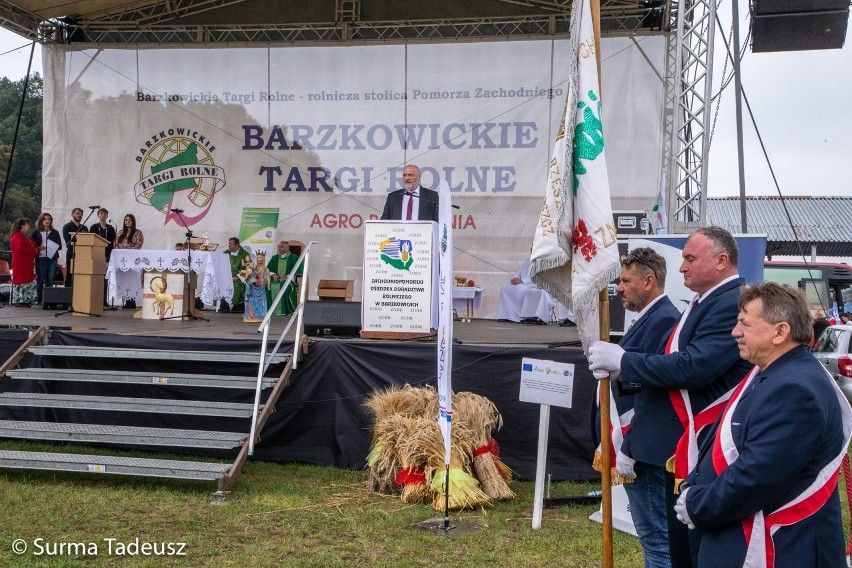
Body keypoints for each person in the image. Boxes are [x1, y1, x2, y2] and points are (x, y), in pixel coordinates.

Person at [589, 226, 752, 568]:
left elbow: (693, 368)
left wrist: (624, 362)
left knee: (668, 545)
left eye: (690, 258)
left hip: (695, 439)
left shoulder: (728, 303)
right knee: (675, 547)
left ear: (721, 261)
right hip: (676, 442)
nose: (681, 268)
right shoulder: (702, 302)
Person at [674, 282, 852, 568]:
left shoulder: (794, 390)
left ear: (780, 332)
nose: (735, 332)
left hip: (778, 548)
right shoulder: (775, 373)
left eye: (744, 323)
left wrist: (698, 505)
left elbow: (756, 477)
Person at [602, 247, 681, 568]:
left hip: (646, 447)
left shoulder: (664, 320)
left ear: (648, 281)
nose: (619, 287)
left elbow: (651, 388)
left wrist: (629, 445)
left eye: (625, 280)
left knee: (657, 538)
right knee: (654, 536)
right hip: (641, 443)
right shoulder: (648, 318)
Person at [114, 213, 145, 308]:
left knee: (132, 280)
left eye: (130, 220)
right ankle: (127, 301)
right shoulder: (120, 232)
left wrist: (128, 251)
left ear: (133, 221)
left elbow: (139, 245)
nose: (128, 221)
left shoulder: (138, 232)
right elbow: (116, 244)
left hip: (133, 259)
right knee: (125, 280)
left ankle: (132, 301)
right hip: (123, 260)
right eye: (126, 220)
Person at [31, 212, 62, 304]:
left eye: (49, 219)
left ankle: (49, 301)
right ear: (41, 221)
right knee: (40, 279)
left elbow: (60, 246)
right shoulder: (36, 232)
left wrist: (52, 246)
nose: (47, 221)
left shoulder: (55, 232)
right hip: (40, 257)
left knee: (50, 279)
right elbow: (32, 245)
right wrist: (39, 247)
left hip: (52, 258)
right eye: (45, 219)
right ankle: (40, 300)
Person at [267, 240, 303, 315]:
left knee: (284, 285)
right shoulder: (275, 258)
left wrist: (287, 276)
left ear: (287, 248)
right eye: (279, 246)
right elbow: (268, 269)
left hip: (289, 280)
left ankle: (285, 310)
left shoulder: (294, 258)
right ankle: (270, 310)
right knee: (268, 286)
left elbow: (299, 270)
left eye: (282, 247)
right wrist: (273, 274)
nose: (279, 248)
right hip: (276, 279)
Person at [10, 218, 39, 307]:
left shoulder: (26, 237)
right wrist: (34, 249)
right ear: (22, 226)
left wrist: (36, 249)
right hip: (21, 263)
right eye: (27, 225)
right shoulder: (16, 236)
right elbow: (20, 249)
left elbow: (33, 245)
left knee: (28, 279)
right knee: (21, 280)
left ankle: (27, 299)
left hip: (28, 262)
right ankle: (20, 299)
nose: (29, 227)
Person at [61, 207, 87, 288]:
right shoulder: (67, 227)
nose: (80, 215)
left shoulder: (84, 228)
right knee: (70, 276)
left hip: (83, 255)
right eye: (77, 213)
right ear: (72, 215)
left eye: (81, 214)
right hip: (72, 255)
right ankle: (68, 298)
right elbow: (68, 243)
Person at [223, 237, 249, 313]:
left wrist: (237, 277)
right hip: (226, 277)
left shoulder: (244, 254)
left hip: (238, 278)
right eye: (228, 244)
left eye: (231, 244)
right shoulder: (226, 253)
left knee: (236, 285)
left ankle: (228, 304)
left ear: (237, 244)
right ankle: (221, 304)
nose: (229, 246)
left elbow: (248, 269)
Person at [242, 251, 269, 323]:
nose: (259, 259)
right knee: (250, 301)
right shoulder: (254, 267)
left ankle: (259, 316)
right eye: (258, 257)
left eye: (260, 257)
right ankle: (251, 316)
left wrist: (257, 281)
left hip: (260, 290)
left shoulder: (265, 269)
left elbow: (266, 281)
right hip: (252, 289)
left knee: (259, 303)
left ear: (263, 258)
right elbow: (250, 275)